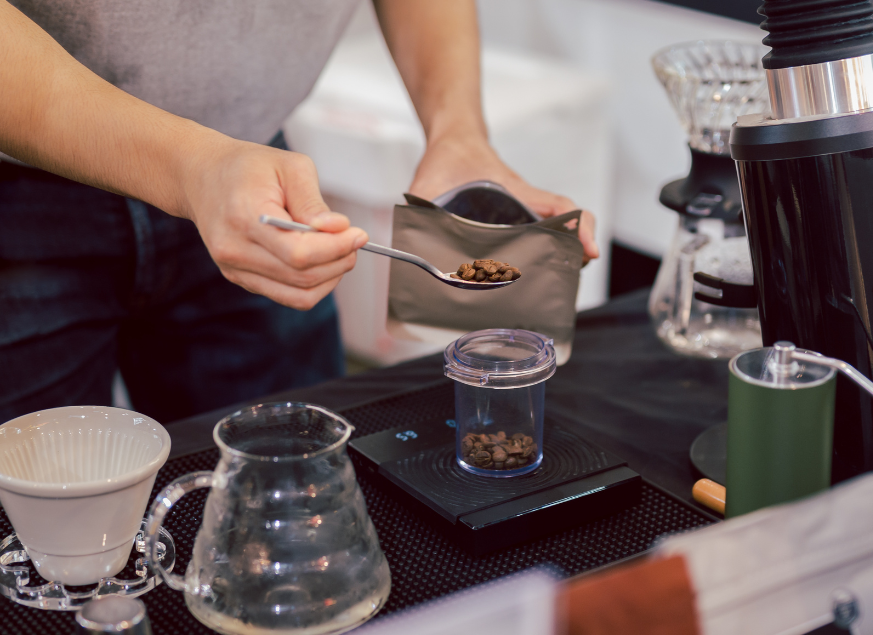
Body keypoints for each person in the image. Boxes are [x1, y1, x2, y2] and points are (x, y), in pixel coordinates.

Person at [0, 0, 598, 424]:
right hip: (22, 188)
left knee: (294, 490)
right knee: (38, 549)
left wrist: (459, 134)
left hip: (253, 178)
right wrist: (192, 166)